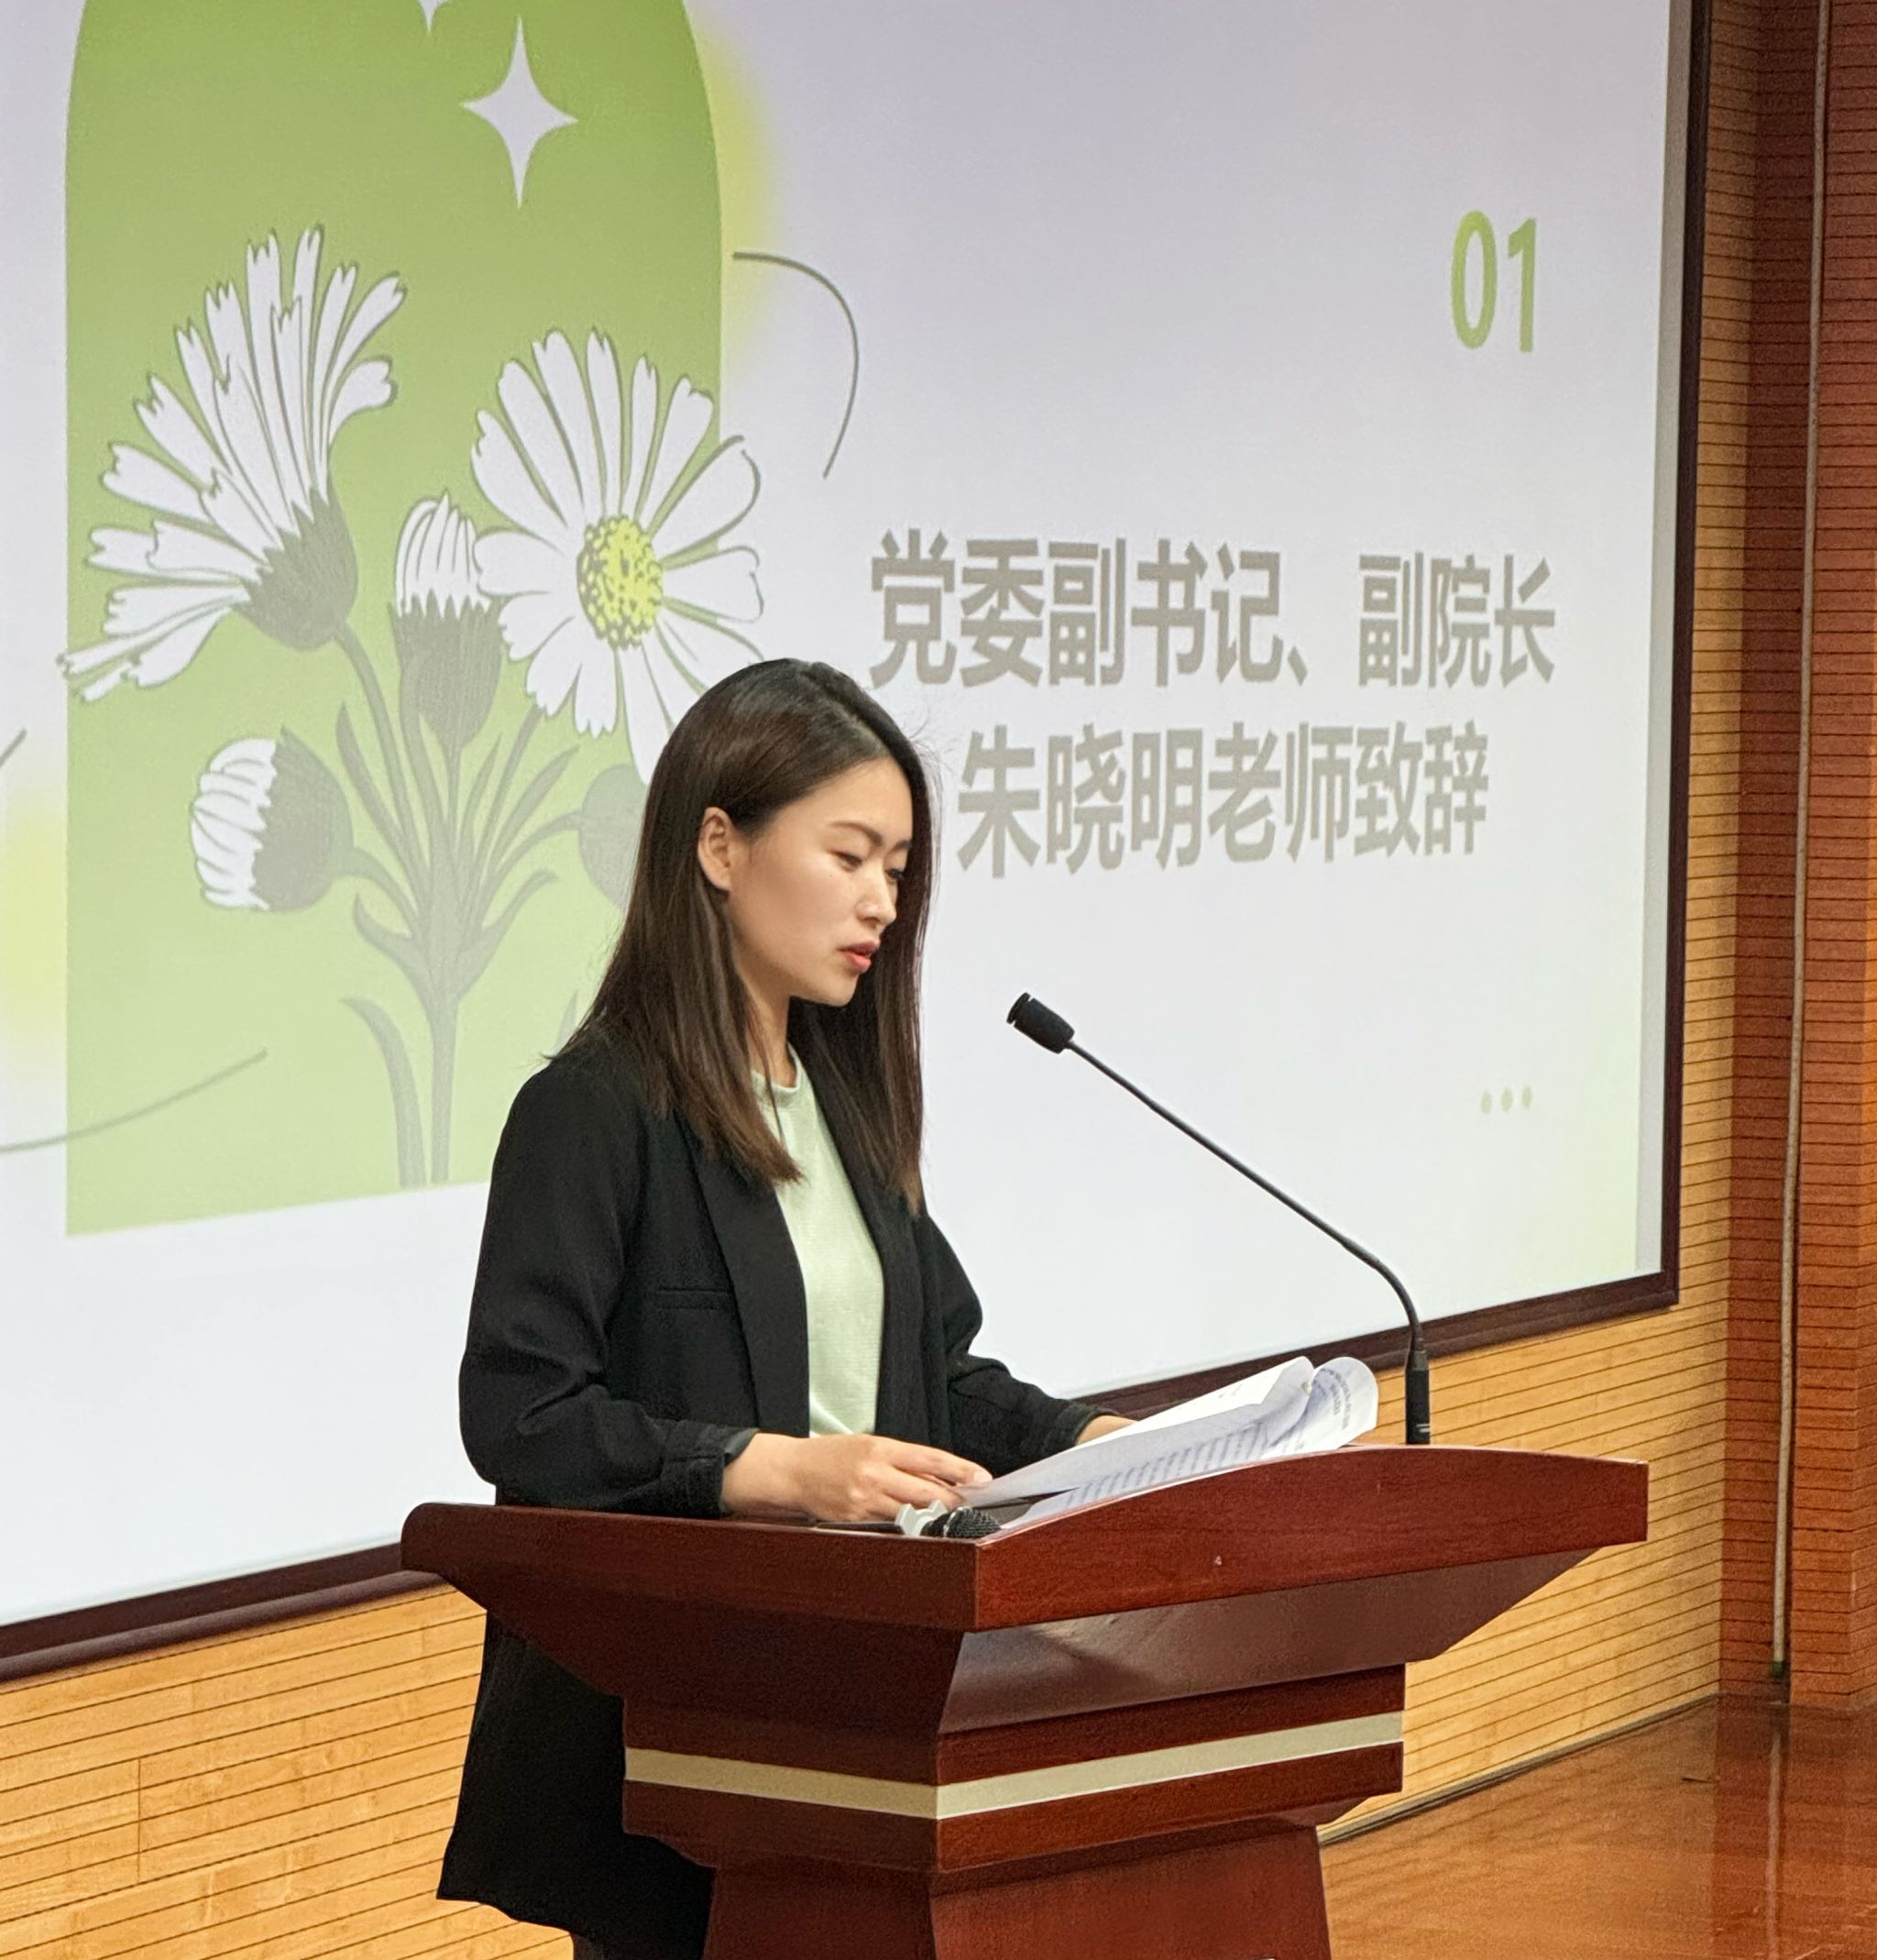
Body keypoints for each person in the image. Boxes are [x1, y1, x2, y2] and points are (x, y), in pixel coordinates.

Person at [435, 659, 1129, 1959]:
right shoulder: (593, 1109)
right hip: (678, 1728)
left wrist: (1101, 1448)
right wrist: (773, 1470)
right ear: (720, 846)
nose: (883, 902)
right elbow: (523, 1416)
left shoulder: (846, 1106)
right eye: (851, 855)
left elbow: (934, 1375)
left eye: (900, 870)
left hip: (868, 1707)